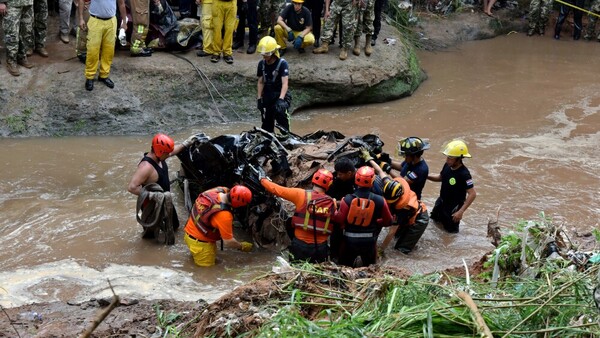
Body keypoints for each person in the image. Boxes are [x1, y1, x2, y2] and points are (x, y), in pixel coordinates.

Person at [260, 168, 337, 263]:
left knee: (295, 272)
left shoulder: (300, 194)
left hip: (300, 246)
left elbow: (277, 190)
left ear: (313, 179)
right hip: (320, 248)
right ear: (329, 185)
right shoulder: (332, 203)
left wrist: (262, 179)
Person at [127, 134, 190, 242]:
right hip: (152, 205)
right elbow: (132, 187)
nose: (169, 154)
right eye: (167, 153)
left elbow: (174, 151)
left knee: (175, 226)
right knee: (151, 237)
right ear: (160, 152)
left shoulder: (160, 156)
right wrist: (153, 195)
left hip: (166, 200)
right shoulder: (146, 167)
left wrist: (187, 143)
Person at [365, 159, 428, 255]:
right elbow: (380, 171)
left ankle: (411, 246)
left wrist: (380, 250)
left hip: (419, 220)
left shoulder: (402, 208)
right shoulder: (390, 185)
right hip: (410, 214)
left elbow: (391, 231)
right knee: (397, 237)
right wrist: (369, 159)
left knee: (400, 250)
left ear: (397, 199)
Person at [333, 166, 393, 267]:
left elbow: (339, 219)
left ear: (356, 179)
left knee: (343, 268)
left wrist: (334, 208)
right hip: (369, 241)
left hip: (349, 240)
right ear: (372, 181)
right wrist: (376, 222)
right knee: (371, 270)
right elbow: (388, 221)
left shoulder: (347, 199)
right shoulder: (380, 200)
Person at [183, 185, 254, 267]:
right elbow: (229, 242)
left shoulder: (217, 190)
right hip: (202, 246)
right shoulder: (224, 215)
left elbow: (226, 189)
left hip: (188, 234)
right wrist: (242, 246)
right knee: (206, 273)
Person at [427, 139, 477, 233]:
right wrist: (426, 176)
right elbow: (441, 177)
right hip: (441, 202)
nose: (447, 160)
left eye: (450, 158)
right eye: (447, 157)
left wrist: (461, 211)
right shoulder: (447, 165)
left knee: (450, 234)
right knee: (434, 223)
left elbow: (472, 194)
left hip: (453, 208)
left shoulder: (464, 174)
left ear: (459, 158)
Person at [79, 0, 127, 91]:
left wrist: (124, 22)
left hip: (111, 22)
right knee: (92, 50)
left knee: (109, 50)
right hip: (95, 20)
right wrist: (81, 18)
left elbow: (121, 3)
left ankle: (104, 75)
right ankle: (90, 76)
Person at [256, 36, 291, 133]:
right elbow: (260, 82)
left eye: (266, 54)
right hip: (268, 95)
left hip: (281, 94)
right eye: (263, 54)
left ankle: (286, 135)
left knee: (280, 112)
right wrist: (259, 99)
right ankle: (269, 137)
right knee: (267, 122)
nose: (264, 56)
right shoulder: (261, 64)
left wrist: (281, 99)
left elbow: (285, 83)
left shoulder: (282, 64)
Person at [1, 0, 34, 76]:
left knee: (25, 32)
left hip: (27, 3)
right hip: (11, 4)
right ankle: (11, 60)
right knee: (11, 34)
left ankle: (21, 56)